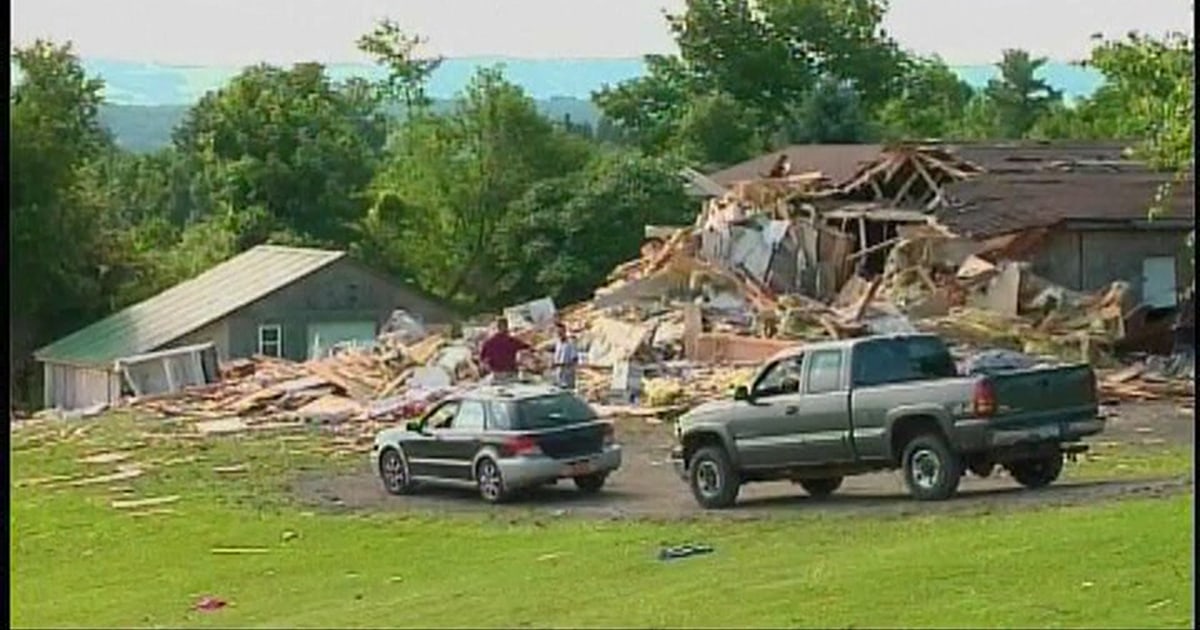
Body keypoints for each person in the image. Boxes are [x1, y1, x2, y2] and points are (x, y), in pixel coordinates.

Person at [479, 317, 530, 382]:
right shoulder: (512, 341)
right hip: (511, 373)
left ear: (497, 327)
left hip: (496, 374)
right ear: (506, 326)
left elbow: (482, 358)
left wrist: (487, 367)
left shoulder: (489, 342)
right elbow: (528, 348)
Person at [551, 323, 580, 391]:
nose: (559, 334)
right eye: (558, 333)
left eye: (560, 332)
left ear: (564, 332)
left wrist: (561, 364)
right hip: (558, 376)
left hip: (567, 377)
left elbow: (575, 360)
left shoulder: (570, 344)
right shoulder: (558, 343)